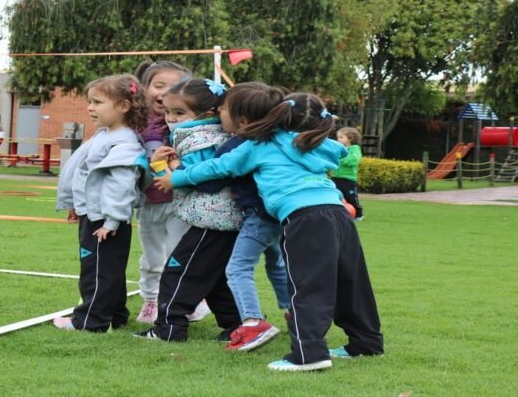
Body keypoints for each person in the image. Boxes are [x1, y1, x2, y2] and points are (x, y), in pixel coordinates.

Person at [156, 83, 384, 371]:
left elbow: (218, 168)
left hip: (304, 218)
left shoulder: (260, 144)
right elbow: (337, 152)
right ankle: (366, 343)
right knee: (352, 282)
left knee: (306, 286)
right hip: (338, 213)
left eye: (224, 109)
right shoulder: (312, 142)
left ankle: (309, 354)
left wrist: (175, 178)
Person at [135, 78, 242, 342]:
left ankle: (169, 328)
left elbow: (205, 182)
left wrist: (164, 166)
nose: (171, 118)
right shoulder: (209, 135)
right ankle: (238, 326)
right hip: (220, 221)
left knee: (177, 270)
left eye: (179, 112)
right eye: (168, 112)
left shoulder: (200, 140)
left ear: (207, 114)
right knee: (214, 277)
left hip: (211, 220)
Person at [187, 99, 291, 352]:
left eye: (223, 110)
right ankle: (293, 312)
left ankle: (253, 322)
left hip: (257, 218)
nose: (218, 113)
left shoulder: (235, 146)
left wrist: (176, 169)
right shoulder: (275, 140)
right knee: (276, 264)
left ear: (242, 121)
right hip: (279, 216)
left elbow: (210, 183)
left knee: (237, 269)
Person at [53, 74, 151, 332]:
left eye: (97, 102)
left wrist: (112, 220)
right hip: (95, 216)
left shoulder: (124, 142)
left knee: (96, 272)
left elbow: (122, 184)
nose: (90, 108)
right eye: (89, 102)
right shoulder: (104, 134)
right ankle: (115, 315)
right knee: (109, 270)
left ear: (123, 106)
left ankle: (90, 321)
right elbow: (86, 175)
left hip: (105, 221)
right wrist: (76, 204)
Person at [132, 60, 211, 324]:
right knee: (152, 257)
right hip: (150, 202)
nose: (164, 92)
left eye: (173, 86)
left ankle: (187, 300)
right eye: (158, 85)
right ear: (145, 88)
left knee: (177, 255)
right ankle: (152, 301)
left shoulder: (192, 127)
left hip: (181, 203)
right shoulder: (136, 124)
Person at [332, 126, 364, 220]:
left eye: (341, 137)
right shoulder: (339, 149)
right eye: (338, 137)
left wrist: (340, 160)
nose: (338, 139)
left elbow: (353, 160)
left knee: (351, 197)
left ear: (350, 139)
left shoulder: (355, 149)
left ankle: (358, 214)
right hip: (336, 177)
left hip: (348, 179)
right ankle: (338, 213)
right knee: (335, 196)